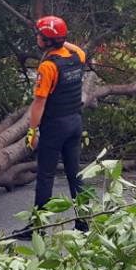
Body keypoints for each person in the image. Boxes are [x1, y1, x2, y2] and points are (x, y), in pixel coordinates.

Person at [18, 15, 88, 239]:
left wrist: (32, 131)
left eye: (40, 34)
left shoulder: (48, 67)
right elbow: (70, 45)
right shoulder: (78, 55)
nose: (37, 37)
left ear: (47, 40)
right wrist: (59, 38)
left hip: (55, 126)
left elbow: (39, 103)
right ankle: (82, 223)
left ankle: (36, 228)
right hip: (75, 122)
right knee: (74, 175)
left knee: (46, 176)